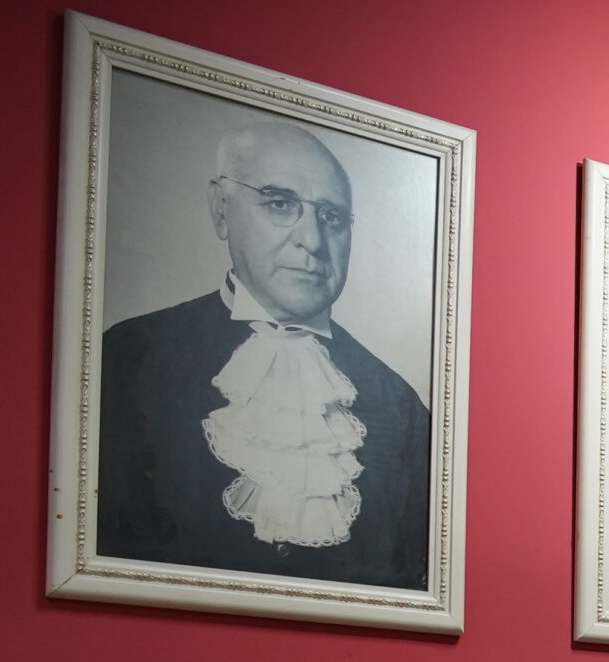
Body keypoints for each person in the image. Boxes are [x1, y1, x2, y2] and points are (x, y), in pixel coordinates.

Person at [98, 121, 431, 587]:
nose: (312, 241)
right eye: (280, 204)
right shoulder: (129, 356)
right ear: (221, 209)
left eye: (331, 217)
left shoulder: (401, 406)